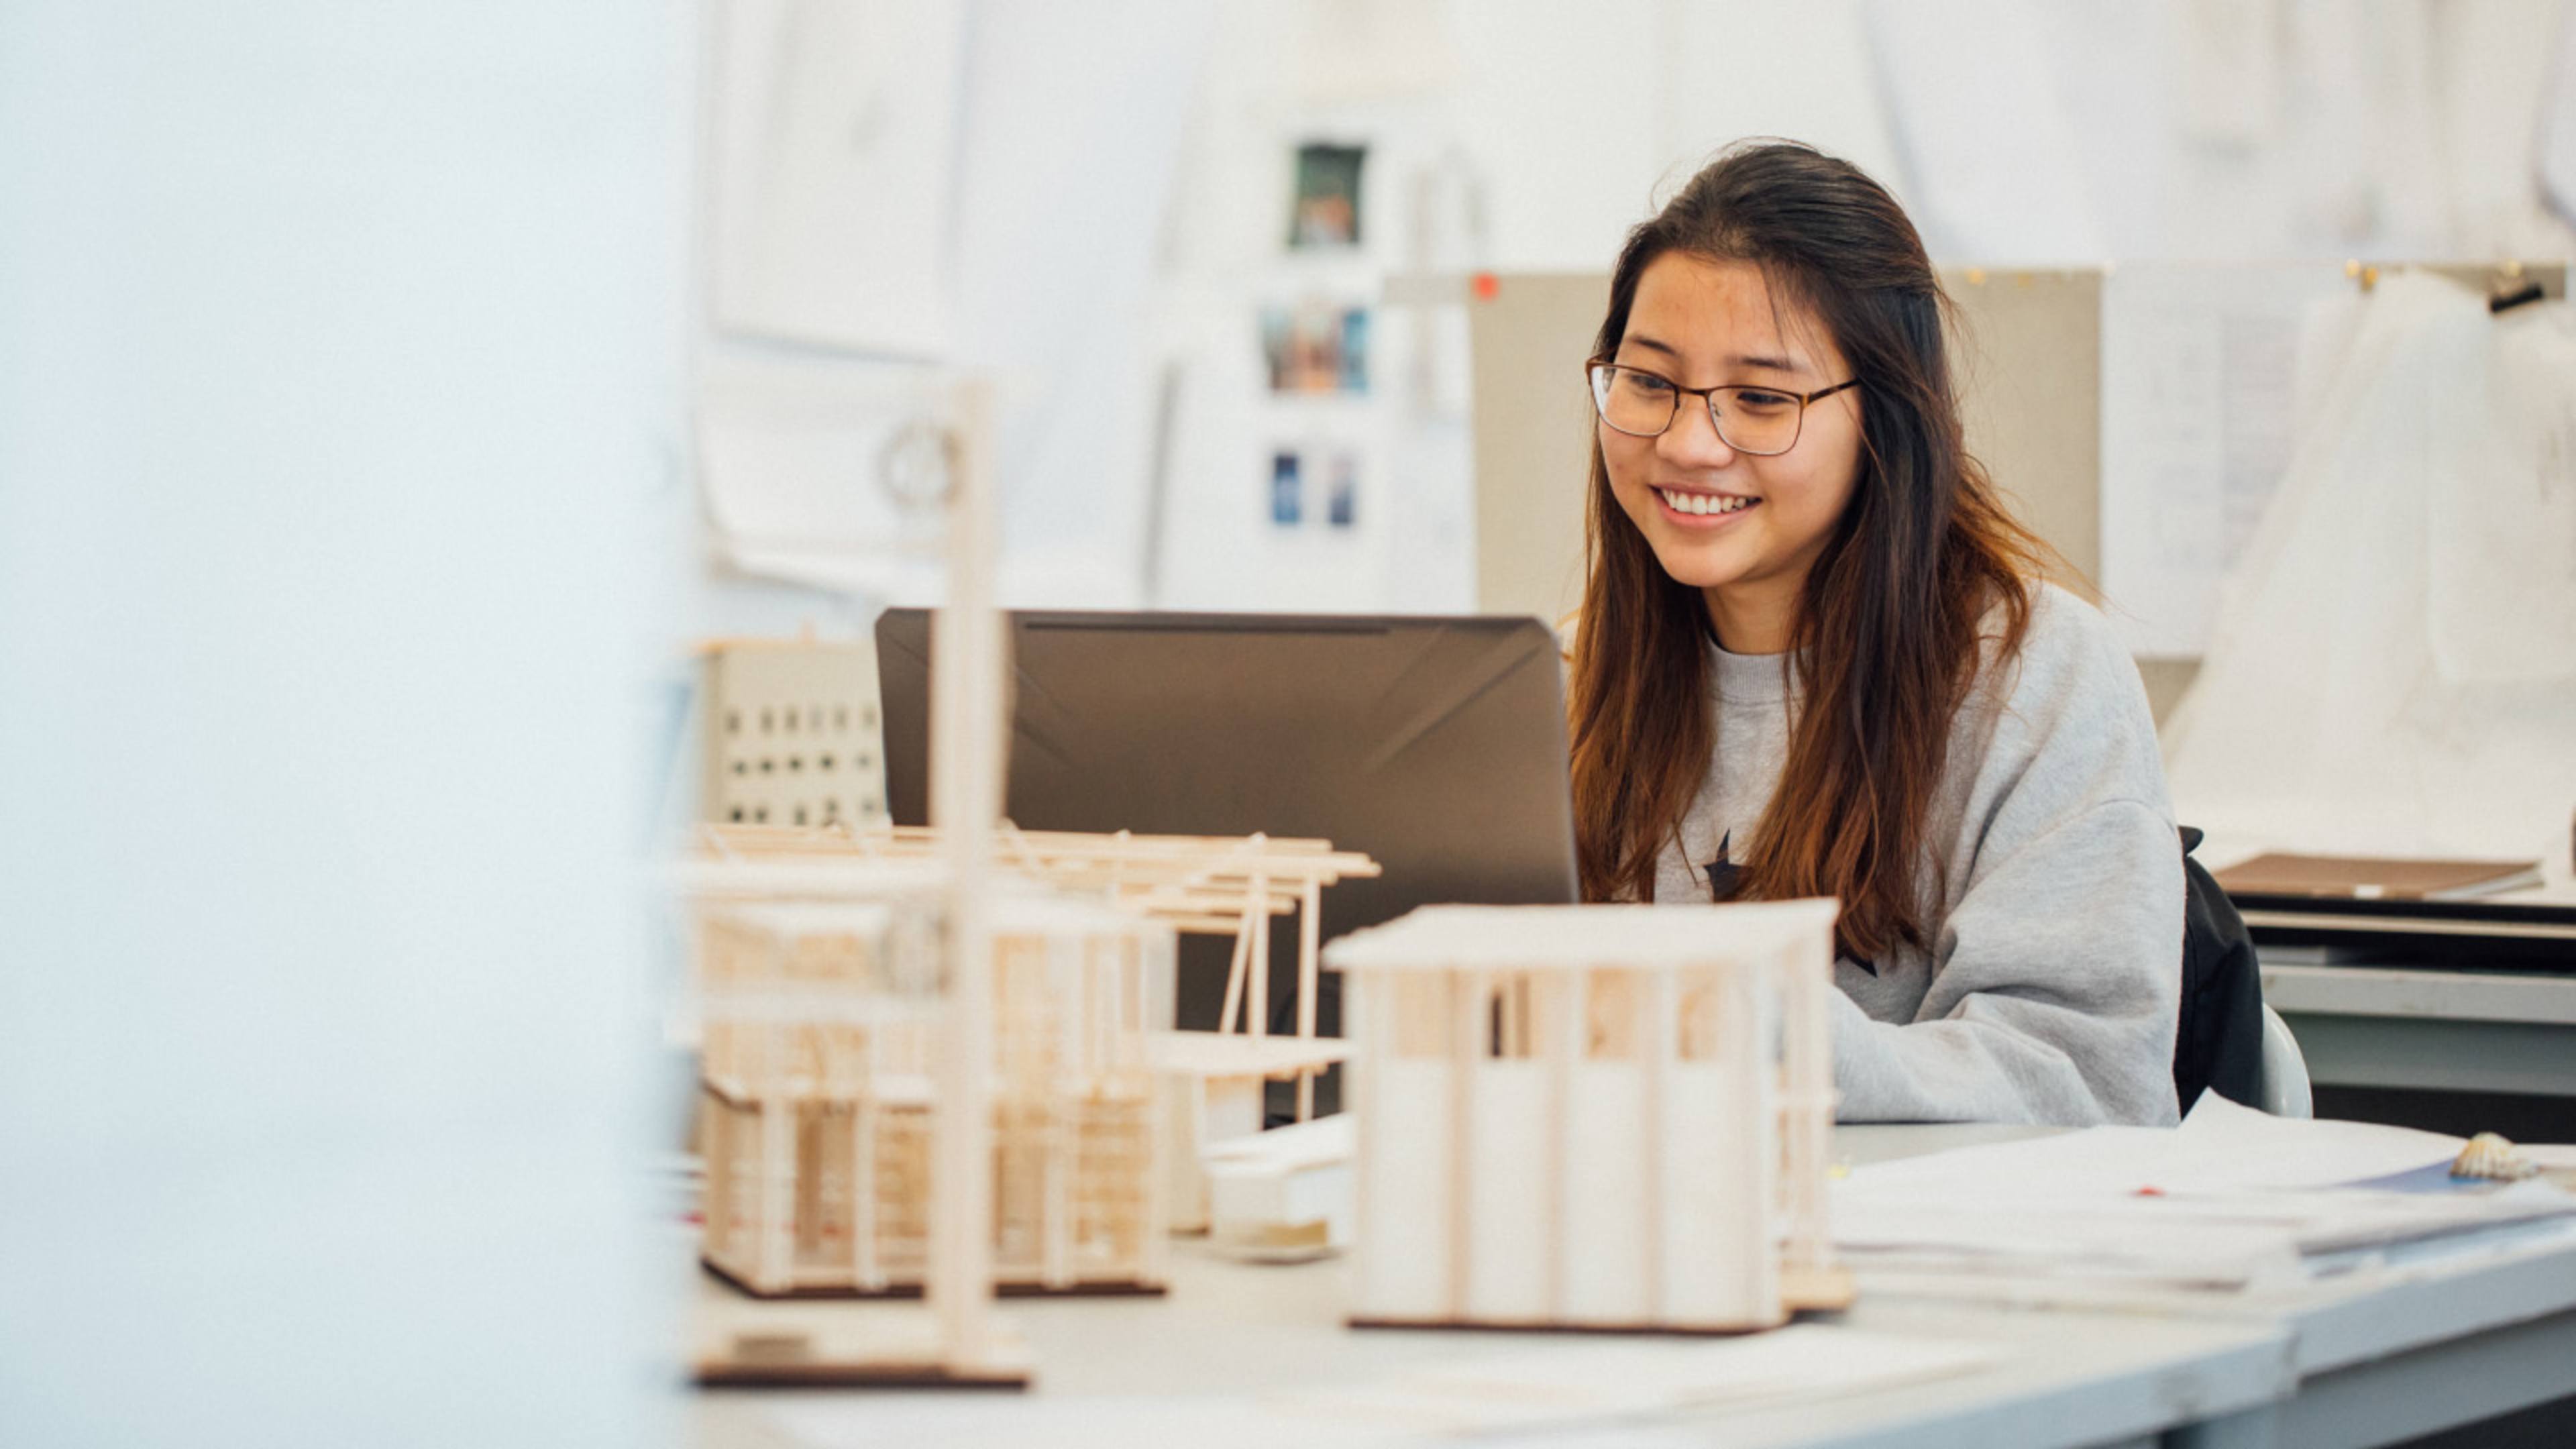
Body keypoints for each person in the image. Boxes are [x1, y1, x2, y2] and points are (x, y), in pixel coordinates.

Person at [1568, 141, 2182, 1126]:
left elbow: (2085, 1085)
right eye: (1649, 382)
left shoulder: (2040, 681)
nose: (1686, 442)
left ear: (1885, 419)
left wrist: (1755, 1029)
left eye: (1762, 399)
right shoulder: (1563, 684)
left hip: (1932, 1261)